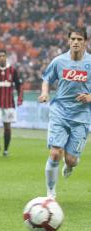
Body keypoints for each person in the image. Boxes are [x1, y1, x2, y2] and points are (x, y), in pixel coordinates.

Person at [38, 27, 90, 199]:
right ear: (68, 41)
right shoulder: (59, 61)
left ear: (85, 42)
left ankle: (70, 165)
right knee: (55, 153)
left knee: (70, 160)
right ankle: (50, 193)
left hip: (82, 117)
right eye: (73, 39)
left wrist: (90, 97)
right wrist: (45, 93)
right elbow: (47, 78)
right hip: (59, 112)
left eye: (79, 39)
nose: (76, 42)